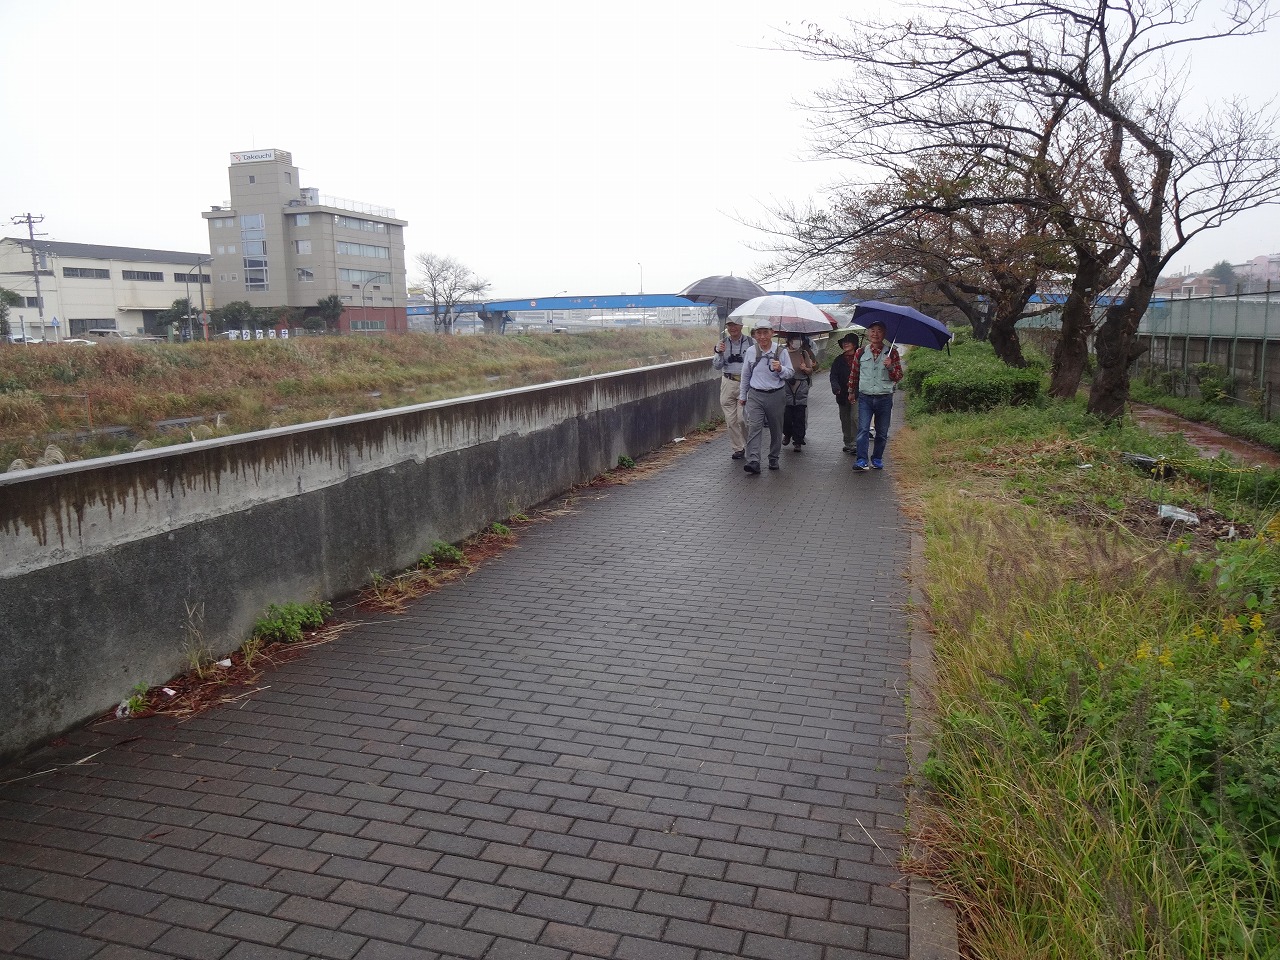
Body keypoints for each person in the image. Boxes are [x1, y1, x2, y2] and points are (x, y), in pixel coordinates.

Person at [738, 319, 795, 474]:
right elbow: (745, 375)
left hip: (776, 395)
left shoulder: (781, 352)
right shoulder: (751, 351)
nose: (762, 336)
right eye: (759, 333)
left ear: (772, 333)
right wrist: (743, 395)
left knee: (776, 428)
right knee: (754, 427)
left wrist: (780, 368)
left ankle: (773, 458)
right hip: (755, 395)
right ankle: (753, 460)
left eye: (765, 333)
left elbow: (790, 373)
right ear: (755, 335)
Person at [849, 320, 903, 471]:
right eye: (872, 330)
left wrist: (890, 366)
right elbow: (854, 373)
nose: (875, 334)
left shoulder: (892, 353)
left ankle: (877, 458)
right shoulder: (860, 352)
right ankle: (861, 460)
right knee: (863, 430)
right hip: (865, 397)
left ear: (884, 334)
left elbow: (898, 376)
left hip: (884, 397)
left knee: (882, 432)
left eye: (879, 331)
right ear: (868, 333)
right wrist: (851, 391)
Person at [711, 318, 751, 459]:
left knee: (742, 419)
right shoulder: (722, 343)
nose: (732, 328)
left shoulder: (751, 343)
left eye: (735, 325)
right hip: (728, 382)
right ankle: (738, 448)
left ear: (741, 325)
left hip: (745, 383)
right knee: (730, 420)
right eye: (729, 325)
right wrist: (718, 352)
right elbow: (717, 366)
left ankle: (750, 445)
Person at [781, 333, 818, 451]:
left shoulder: (803, 353)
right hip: (786, 385)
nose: (797, 341)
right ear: (789, 341)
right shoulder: (782, 353)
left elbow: (810, 370)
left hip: (801, 386)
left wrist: (805, 368)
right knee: (787, 414)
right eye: (795, 339)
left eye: (799, 339)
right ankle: (787, 434)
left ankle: (798, 440)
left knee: (799, 414)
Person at [828, 332, 860, 454]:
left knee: (855, 417)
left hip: (857, 393)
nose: (845, 344)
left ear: (855, 344)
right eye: (844, 342)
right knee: (845, 418)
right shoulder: (838, 360)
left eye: (848, 342)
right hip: (842, 394)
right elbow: (833, 376)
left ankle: (856, 443)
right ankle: (848, 442)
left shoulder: (860, 359)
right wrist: (836, 387)